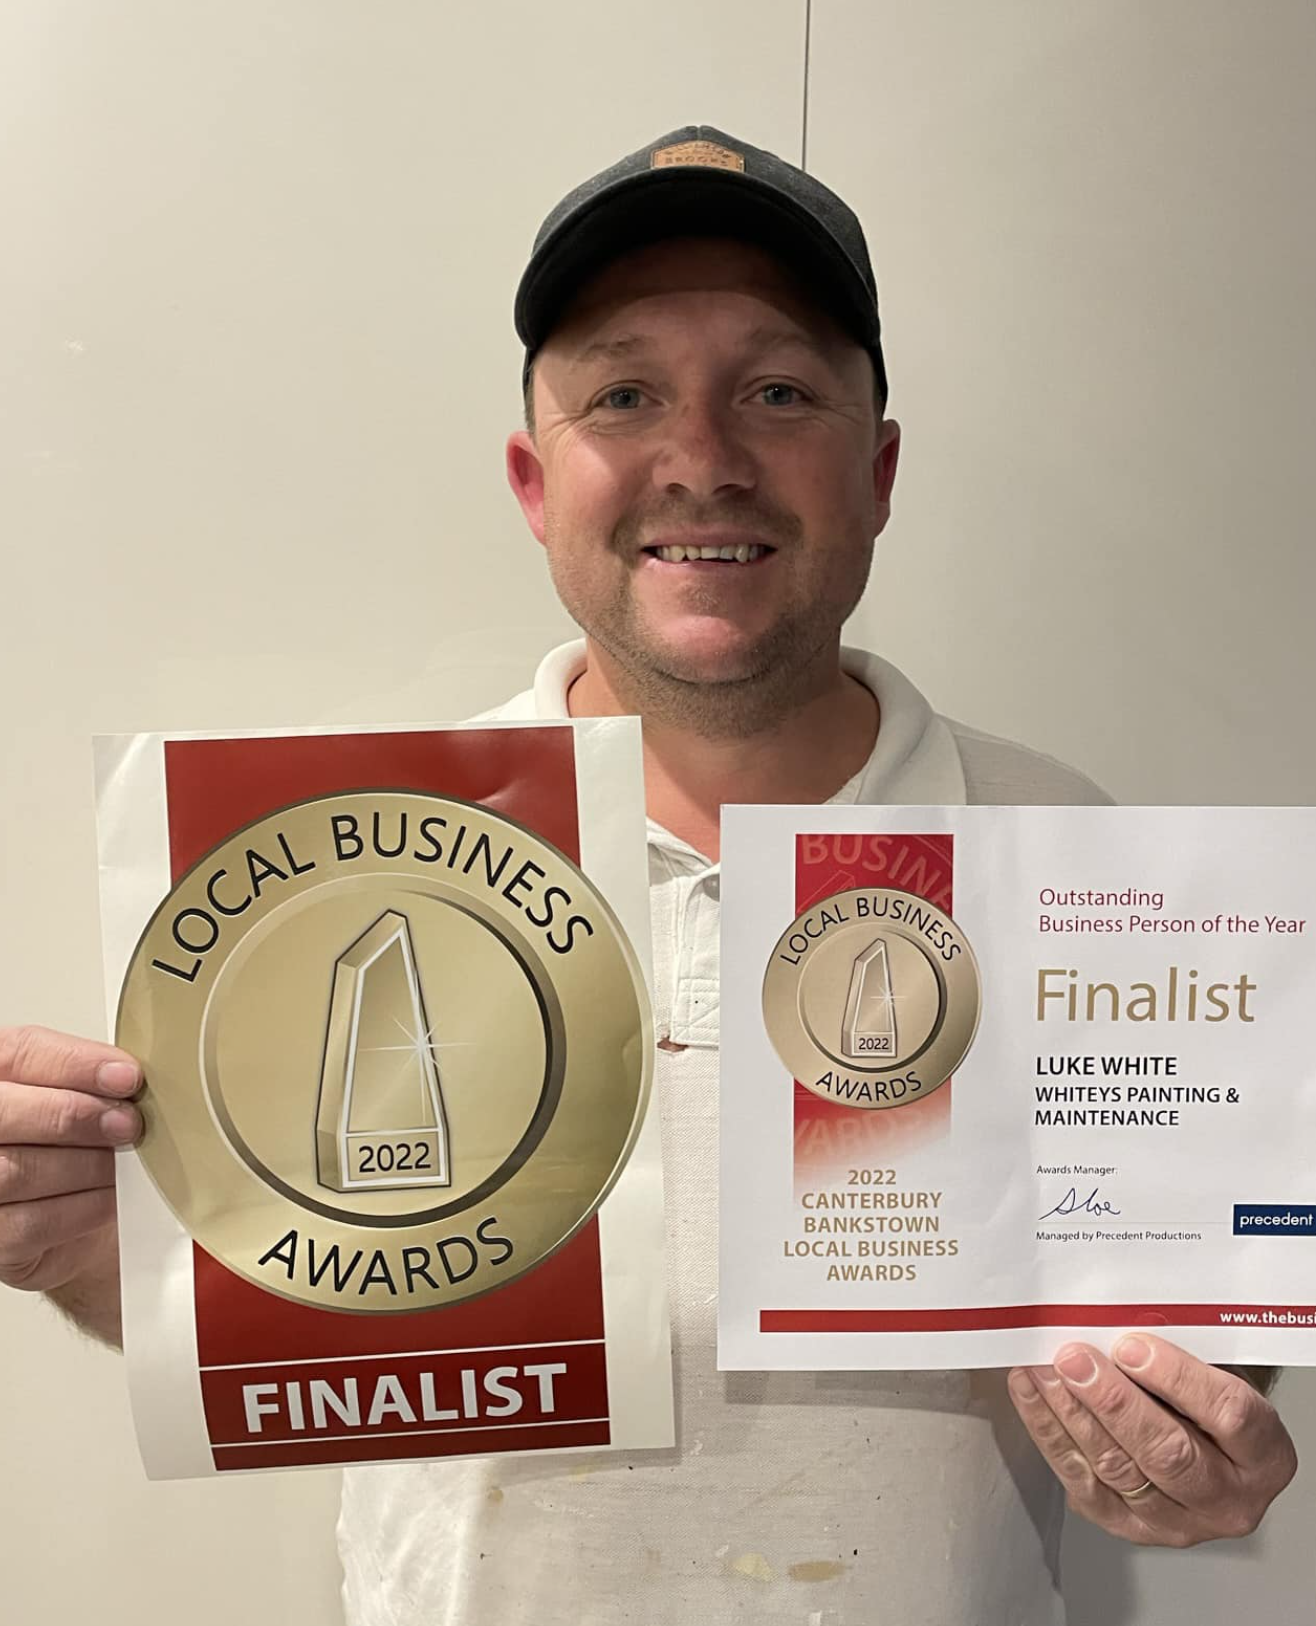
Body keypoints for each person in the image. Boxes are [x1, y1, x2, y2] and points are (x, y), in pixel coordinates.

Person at [0, 124, 1296, 1625]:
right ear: (533, 482)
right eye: (624, 395)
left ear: (879, 470)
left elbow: (1194, 1334)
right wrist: (107, 1253)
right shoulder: (353, 874)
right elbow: (300, 1314)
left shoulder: (1079, 860)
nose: (703, 459)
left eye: (778, 390)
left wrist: (1189, 1439)